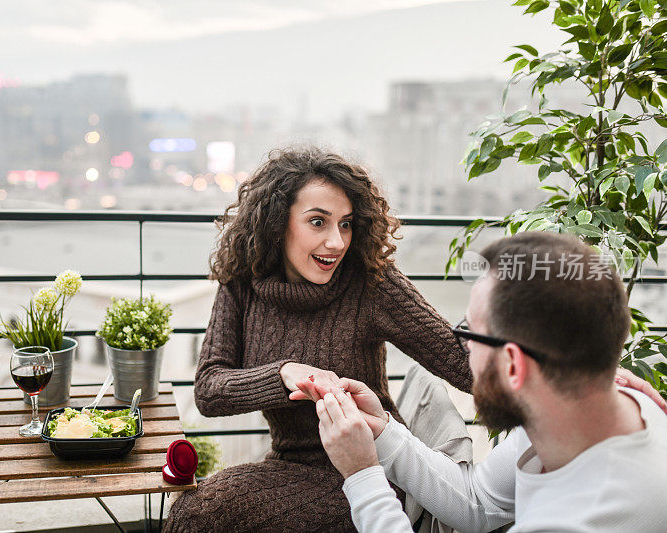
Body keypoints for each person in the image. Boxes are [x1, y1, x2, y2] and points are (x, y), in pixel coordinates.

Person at [163, 147, 474, 532]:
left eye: (345, 224)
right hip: (287, 465)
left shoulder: (372, 286)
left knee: (200, 514)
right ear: (277, 225)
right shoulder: (242, 283)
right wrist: (285, 374)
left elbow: (465, 366)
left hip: (373, 470)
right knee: (197, 509)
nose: (337, 242)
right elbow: (209, 391)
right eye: (318, 222)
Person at [299, 232, 667, 532]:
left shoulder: (580, 518)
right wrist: (382, 432)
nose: (463, 349)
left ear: (514, 364)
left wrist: (363, 476)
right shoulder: (575, 407)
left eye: (471, 334)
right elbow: (478, 502)